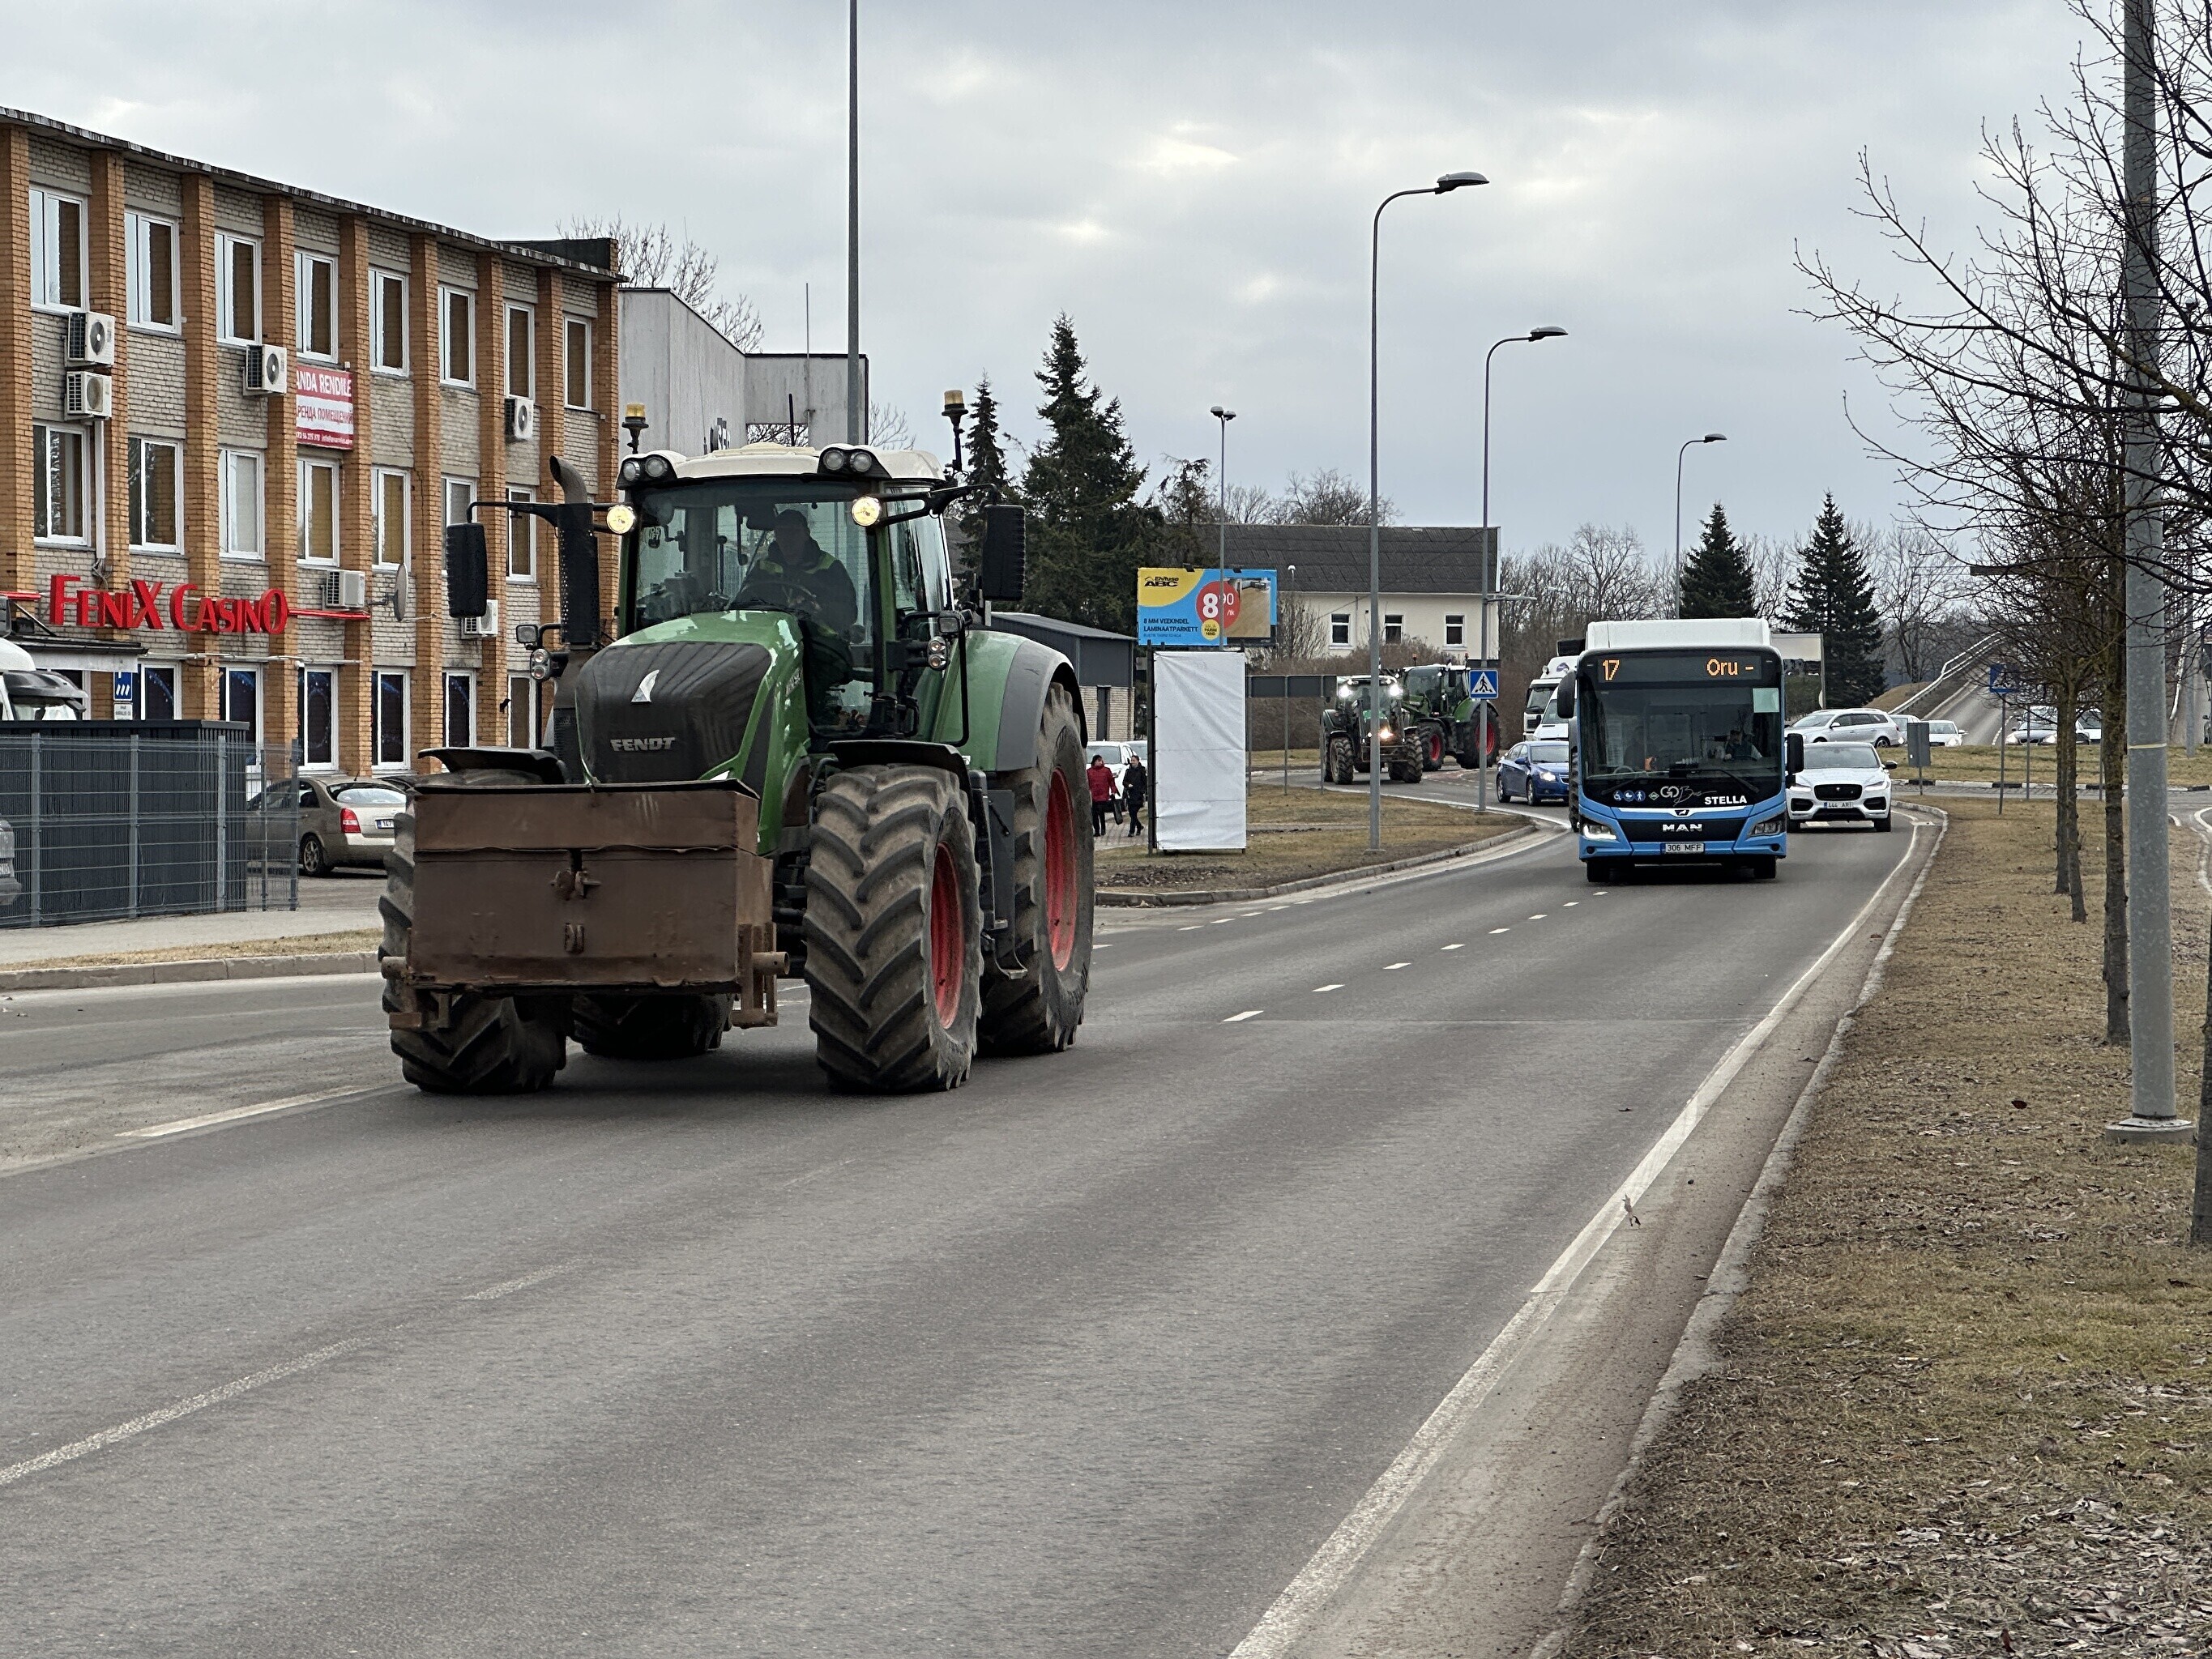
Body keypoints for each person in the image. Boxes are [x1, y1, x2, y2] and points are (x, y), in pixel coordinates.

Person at [738, 509, 859, 636]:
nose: (787, 538)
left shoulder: (830, 568)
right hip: (773, 640)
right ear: (776, 535)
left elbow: (848, 614)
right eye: (781, 532)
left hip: (820, 640)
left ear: (806, 534)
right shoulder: (763, 568)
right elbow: (743, 605)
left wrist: (819, 609)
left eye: (793, 532)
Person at [1087, 754, 1116, 838]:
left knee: (1101, 812)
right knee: (1094, 814)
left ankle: (1103, 828)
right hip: (1093, 796)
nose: (1100, 762)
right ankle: (1097, 830)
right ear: (1094, 762)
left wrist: (1113, 791)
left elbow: (1111, 781)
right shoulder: (1089, 771)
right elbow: (1087, 783)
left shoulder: (1106, 771)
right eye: (1098, 761)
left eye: (1101, 761)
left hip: (1103, 796)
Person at [1121, 753, 1148, 837]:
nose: (1132, 762)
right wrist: (1128, 785)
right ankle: (1139, 826)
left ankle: (1131, 831)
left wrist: (1142, 791)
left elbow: (1145, 783)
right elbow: (1124, 782)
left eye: (1134, 761)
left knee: (1134, 813)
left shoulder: (1142, 771)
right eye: (1131, 761)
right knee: (1131, 813)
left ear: (1138, 761)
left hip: (1138, 796)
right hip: (1130, 795)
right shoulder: (1128, 771)